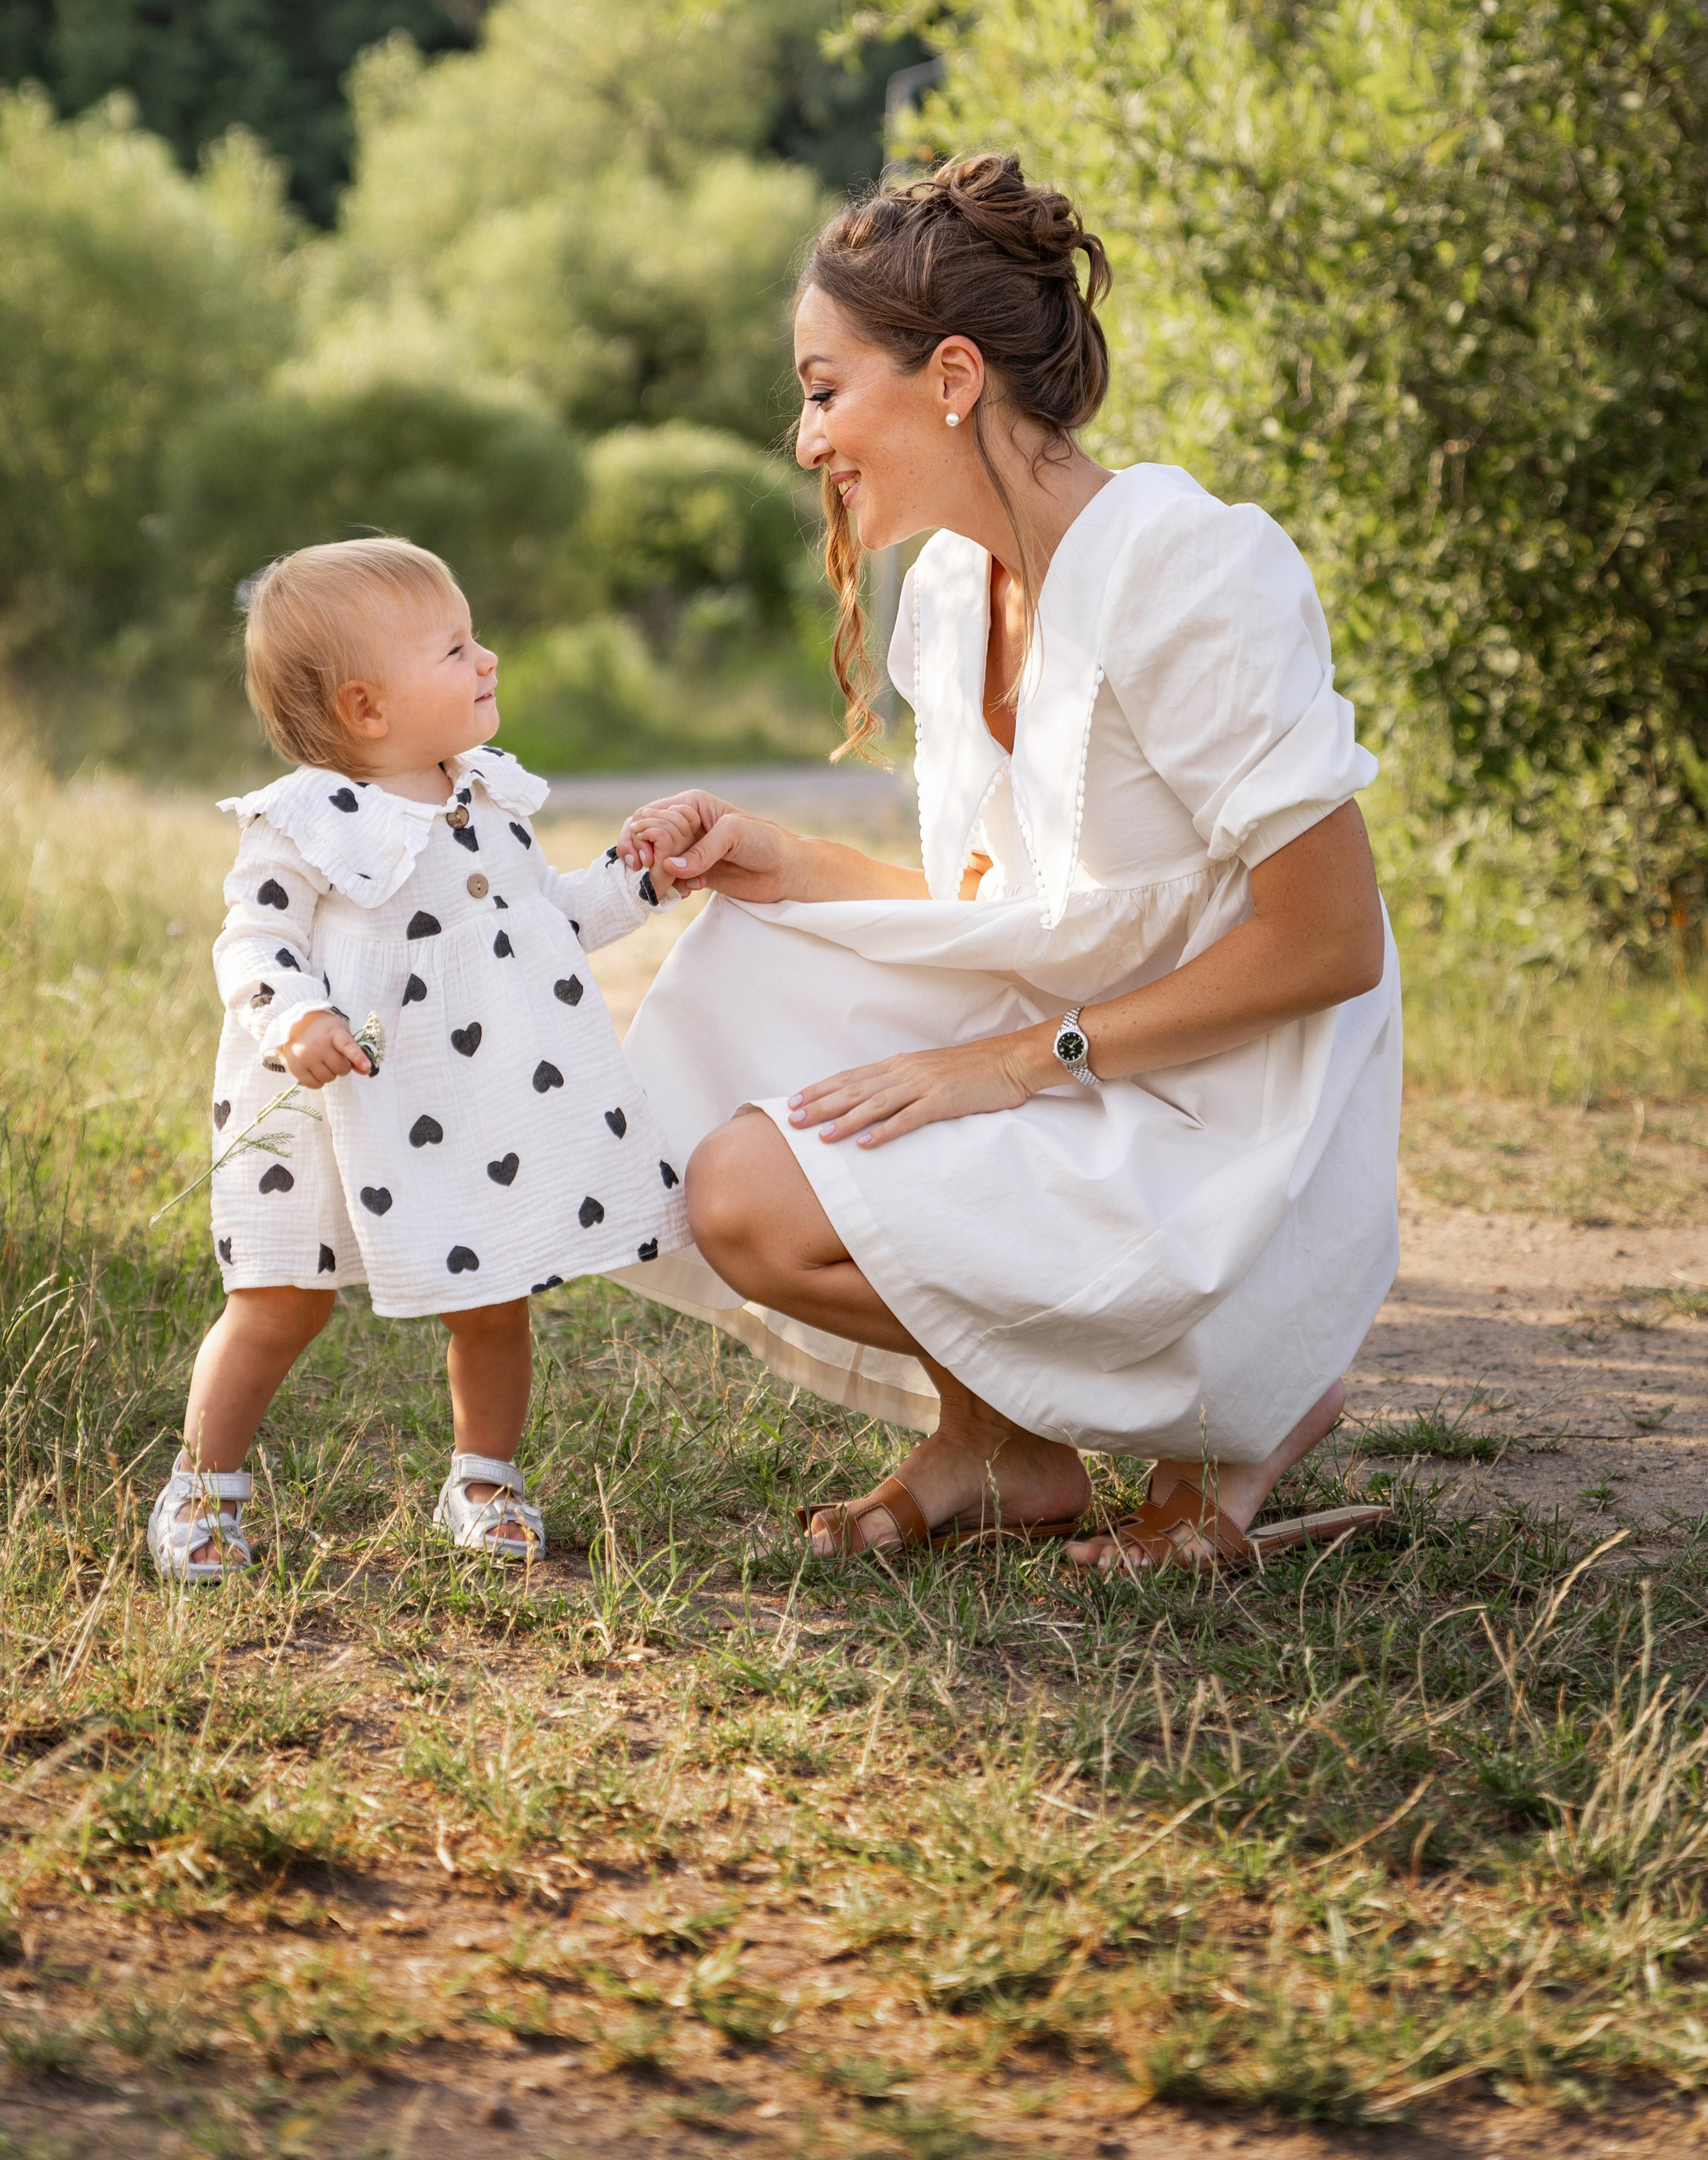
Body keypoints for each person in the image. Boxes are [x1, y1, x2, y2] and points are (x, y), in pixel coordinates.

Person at [617, 154, 1400, 1573]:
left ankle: (1245, 1379)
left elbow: (1330, 940)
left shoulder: (1184, 567)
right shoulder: (949, 590)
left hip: (1225, 1118)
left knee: (823, 1144)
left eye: (823, 389)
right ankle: (1003, 1443)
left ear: (954, 376)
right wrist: (789, 862)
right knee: (739, 1175)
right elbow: (1015, 919)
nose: (805, 437)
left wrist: (1017, 1063)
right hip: (1075, 1063)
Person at [147, 536, 688, 1583]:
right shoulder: (303, 821)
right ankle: (202, 1487)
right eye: (454, 648)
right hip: (327, 1098)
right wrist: (295, 1017)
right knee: (279, 1300)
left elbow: (548, 920)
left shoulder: (485, 799)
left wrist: (640, 879)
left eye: (474, 638)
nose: (487, 659)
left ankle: (484, 1481)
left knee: (493, 1290)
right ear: (366, 709)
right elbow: (254, 941)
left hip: (461, 1097)